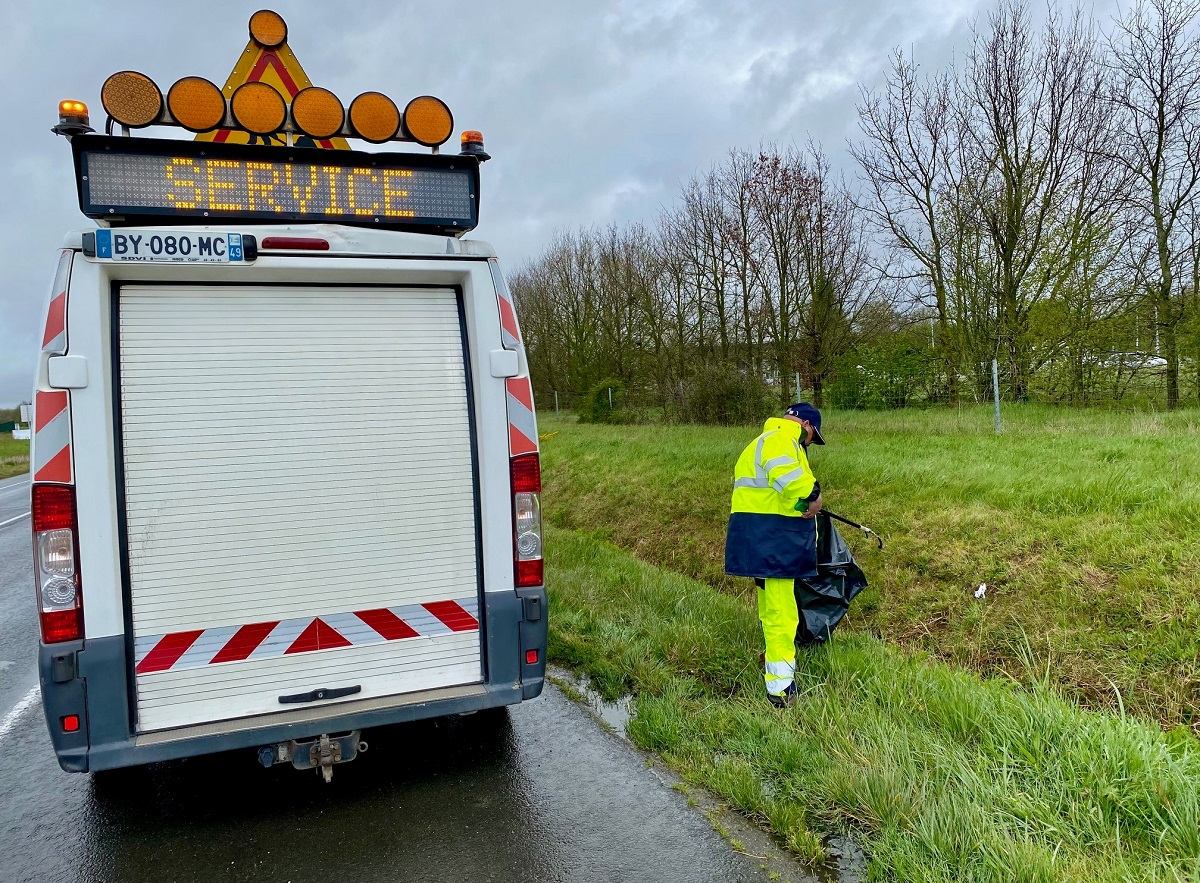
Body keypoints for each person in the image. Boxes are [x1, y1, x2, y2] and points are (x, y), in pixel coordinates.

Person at [724, 402, 824, 708]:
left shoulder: (759, 442)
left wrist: (800, 504)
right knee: (782, 614)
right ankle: (781, 689)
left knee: (771, 610)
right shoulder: (782, 439)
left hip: (759, 538)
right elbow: (791, 479)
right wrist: (813, 496)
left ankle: (771, 659)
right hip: (775, 541)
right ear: (805, 425)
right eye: (812, 437)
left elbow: (772, 491)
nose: (810, 444)